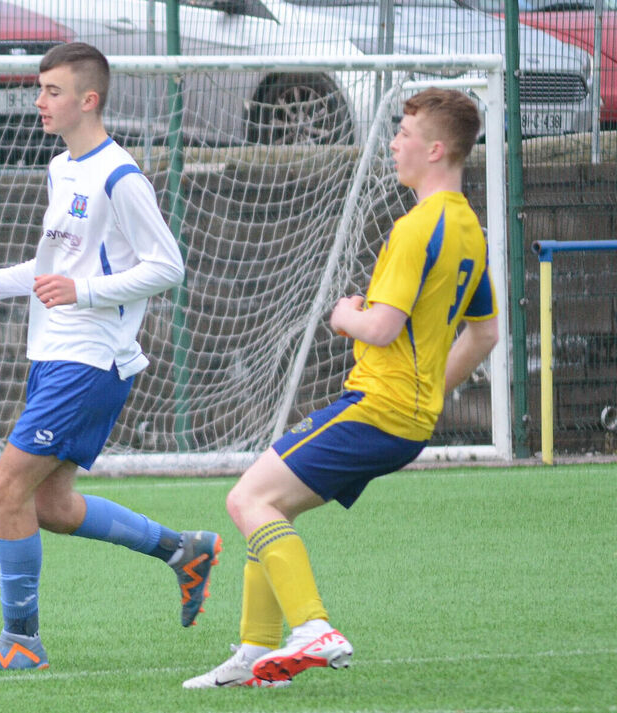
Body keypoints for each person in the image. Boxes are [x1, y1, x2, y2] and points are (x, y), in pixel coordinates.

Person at [183, 88, 500, 689]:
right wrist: (428, 390)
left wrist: (343, 313)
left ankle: (314, 628)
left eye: (404, 134)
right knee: (267, 509)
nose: (394, 144)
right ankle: (258, 651)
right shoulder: (469, 229)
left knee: (246, 501)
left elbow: (380, 327)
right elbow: (485, 334)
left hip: (377, 408)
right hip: (405, 416)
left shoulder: (416, 229)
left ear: (435, 149)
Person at [0, 42, 221, 672]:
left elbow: (167, 267)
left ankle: (21, 642)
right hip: (55, 354)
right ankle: (183, 550)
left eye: (52, 91)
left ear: (87, 99)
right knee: (51, 506)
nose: (39, 101)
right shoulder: (61, 167)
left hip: (90, 359)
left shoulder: (120, 177)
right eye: (39, 89)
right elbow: (56, 268)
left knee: (6, 489)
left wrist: (87, 292)